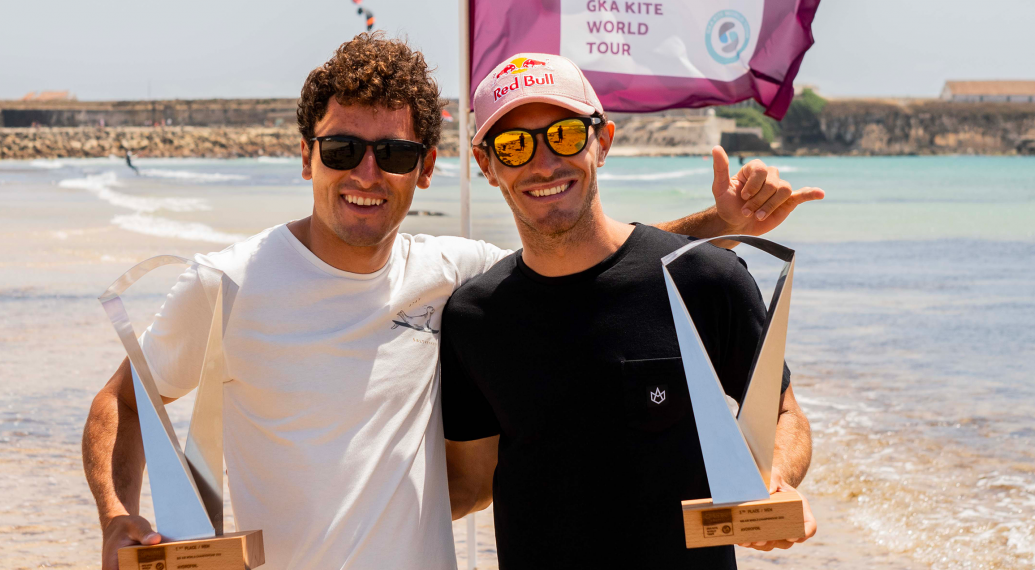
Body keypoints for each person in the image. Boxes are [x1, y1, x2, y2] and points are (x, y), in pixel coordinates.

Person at [81, 34, 822, 570]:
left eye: (395, 154)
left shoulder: (456, 278)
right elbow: (123, 400)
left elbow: (588, 264)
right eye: (342, 150)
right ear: (306, 154)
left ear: (428, 169)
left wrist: (719, 225)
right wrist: (120, 522)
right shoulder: (227, 284)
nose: (366, 173)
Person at [441, 53, 818, 569]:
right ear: (486, 165)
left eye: (566, 135)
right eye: (512, 145)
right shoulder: (474, 317)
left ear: (603, 141)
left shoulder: (707, 280)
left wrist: (774, 480)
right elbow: (468, 481)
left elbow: (784, 414)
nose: (543, 161)